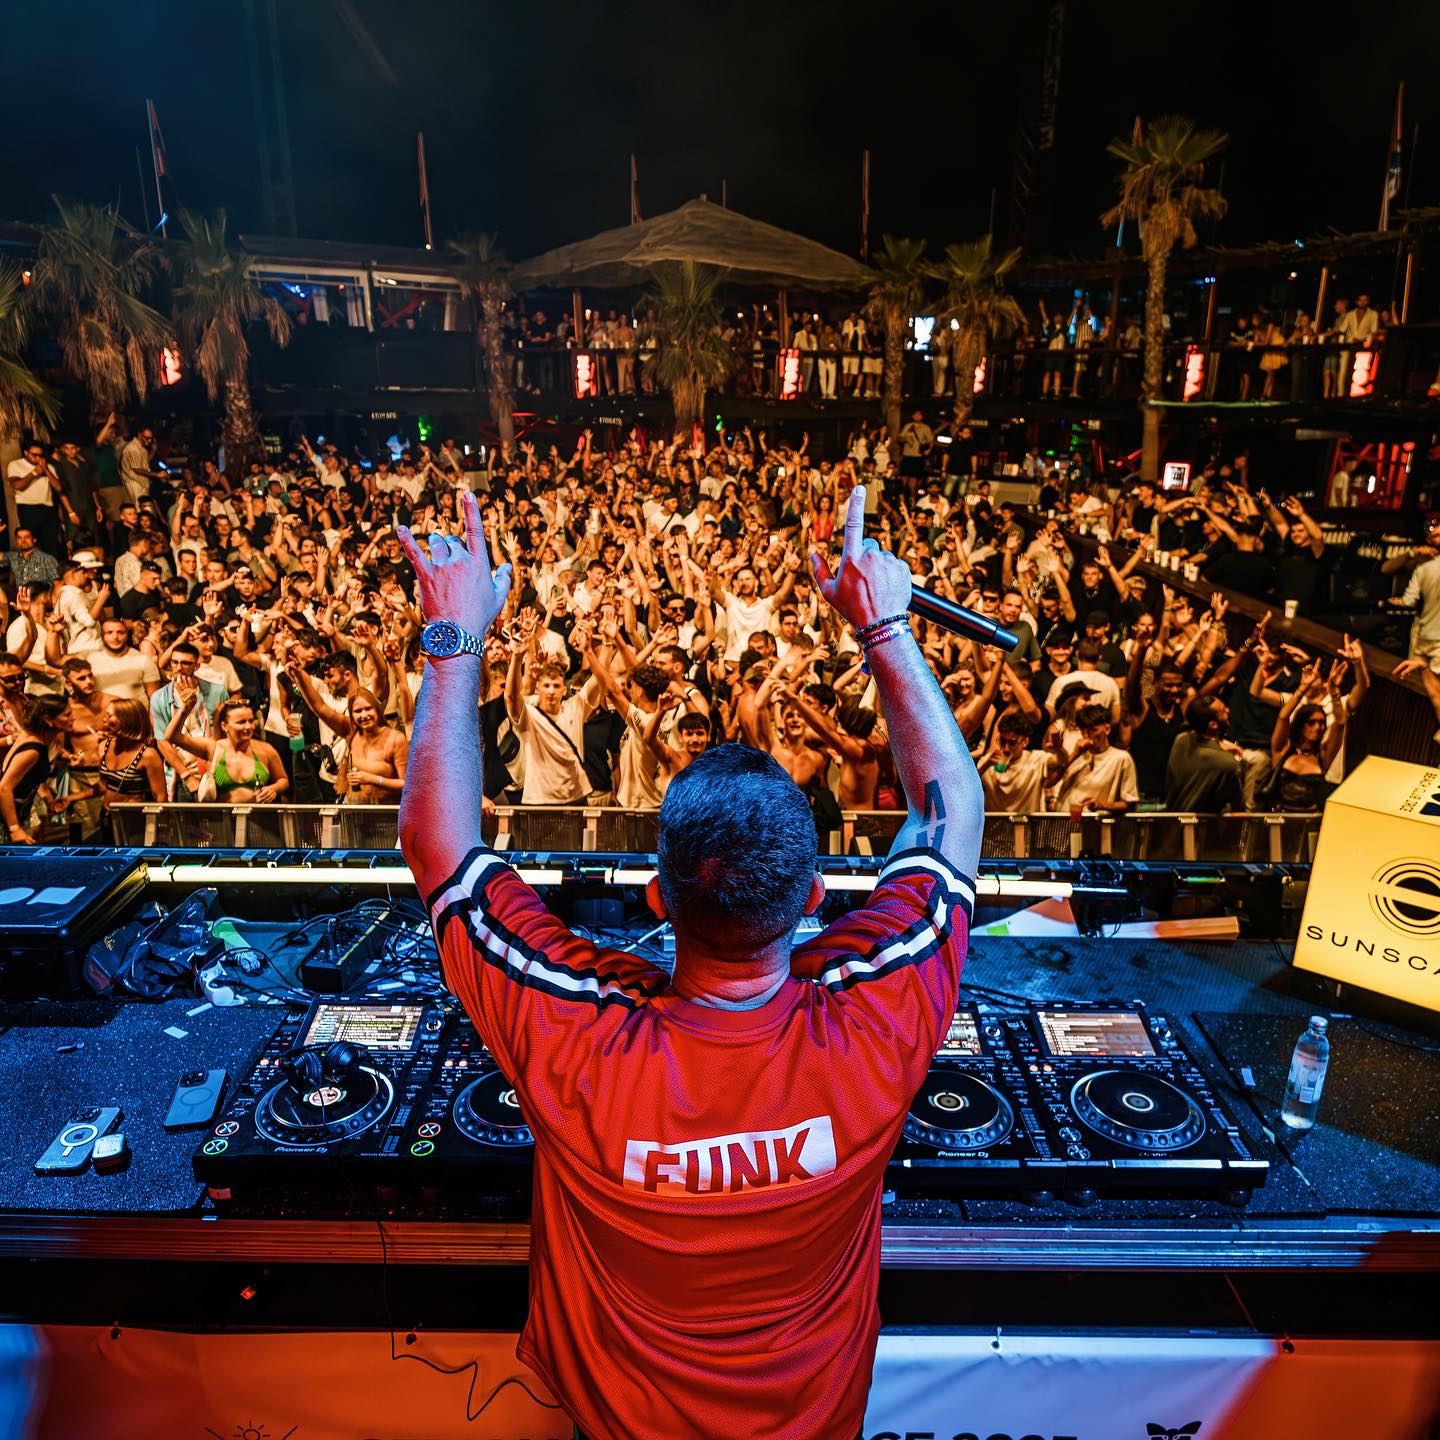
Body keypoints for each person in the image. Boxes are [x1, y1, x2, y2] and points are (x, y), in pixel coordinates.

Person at [397, 487, 981, 1439]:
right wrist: (884, 627)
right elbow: (948, 802)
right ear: (814, 897)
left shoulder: (576, 1033)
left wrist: (454, 639)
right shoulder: (882, 1010)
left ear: (658, 899)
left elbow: (436, 847)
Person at [163, 686, 289, 805]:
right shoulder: (213, 748)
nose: (248, 727)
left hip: (257, 818)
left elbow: (283, 780)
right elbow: (172, 736)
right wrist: (185, 709)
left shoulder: (266, 750)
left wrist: (274, 788)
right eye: (241, 722)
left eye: (251, 721)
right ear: (224, 726)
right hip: (223, 818)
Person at [96, 698, 168, 810]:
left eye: (109, 716)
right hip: (106, 814)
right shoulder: (105, 745)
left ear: (125, 720)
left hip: (132, 817)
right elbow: (101, 786)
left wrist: (158, 819)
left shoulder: (147, 755)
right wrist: (72, 797)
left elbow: (161, 797)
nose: (104, 720)